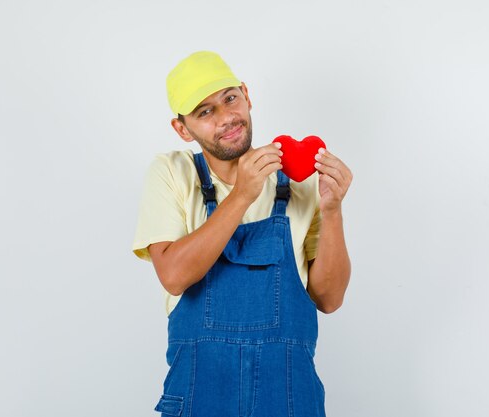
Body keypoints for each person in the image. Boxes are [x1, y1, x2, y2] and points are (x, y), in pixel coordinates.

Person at [133, 51, 352, 417]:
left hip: (288, 400)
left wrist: (332, 211)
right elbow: (173, 276)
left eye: (230, 98)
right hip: (199, 399)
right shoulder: (173, 173)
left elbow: (329, 298)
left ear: (247, 95)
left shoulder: (298, 182)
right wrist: (242, 194)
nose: (226, 118)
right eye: (205, 112)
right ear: (182, 129)